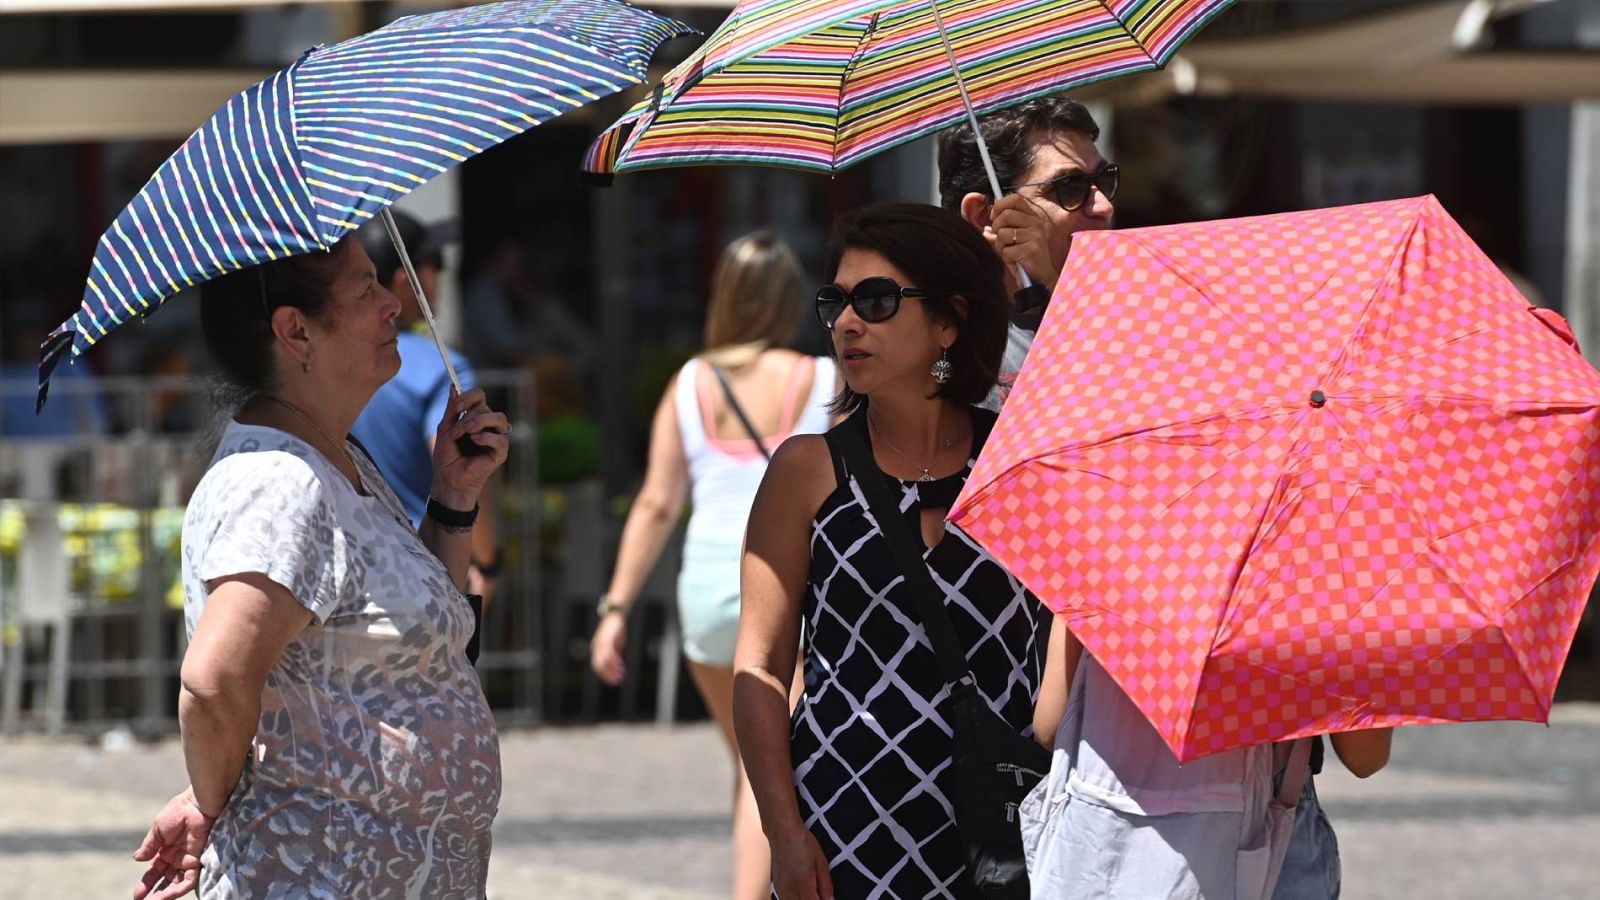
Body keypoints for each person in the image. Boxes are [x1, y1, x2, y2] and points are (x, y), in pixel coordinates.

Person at [131, 234, 509, 900]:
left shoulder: (338, 460)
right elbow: (216, 678)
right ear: (296, 331)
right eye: (365, 289)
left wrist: (452, 500)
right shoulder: (280, 481)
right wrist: (209, 801)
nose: (394, 304)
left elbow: (418, 638)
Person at [735, 203, 1039, 899]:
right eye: (835, 302)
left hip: (1002, 821)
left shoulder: (1016, 457)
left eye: (874, 301)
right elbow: (759, 666)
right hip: (846, 825)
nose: (847, 323)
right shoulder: (807, 470)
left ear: (947, 321)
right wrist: (784, 831)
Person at [588, 231, 835, 900]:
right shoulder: (823, 378)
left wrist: (615, 610)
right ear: (789, 298)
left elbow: (656, 504)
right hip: (787, 593)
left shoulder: (691, 382)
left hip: (705, 595)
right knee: (778, 774)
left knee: (748, 767)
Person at [1021, 619, 1393, 899]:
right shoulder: (1323, 554)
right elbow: (1365, 757)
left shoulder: (1109, 539)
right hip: (1268, 848)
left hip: (1112, 836)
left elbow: (1051, 727)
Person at [351, 211, 503, 607]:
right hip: (429, 569)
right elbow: (465, 467)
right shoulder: (440, 366)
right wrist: (486, 561)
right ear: (405, 281)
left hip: (352, 573)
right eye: (435, 264)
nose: (440, 277)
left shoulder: (329, 369)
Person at [936, 97, 1117, 408]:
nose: (1104, 207)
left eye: (1105, 179)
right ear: (984, 216)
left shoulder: (1134, 314)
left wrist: (1050, 288)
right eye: (1071, 187)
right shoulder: (931, 343)